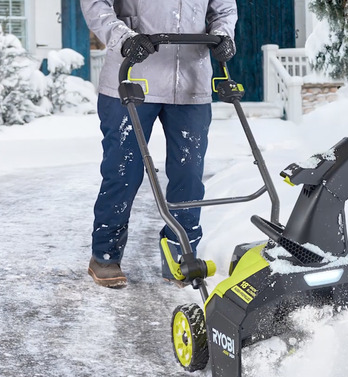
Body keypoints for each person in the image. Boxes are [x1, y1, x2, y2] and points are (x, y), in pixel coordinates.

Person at [81, 0, 238, 288]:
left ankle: (181, 256)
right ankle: (105, 254)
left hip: (191, 82)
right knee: (123, 171)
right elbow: (96, 4)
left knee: (189, 175)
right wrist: (124, 38)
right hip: (133, 74)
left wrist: (223, 35)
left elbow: (224, 9)